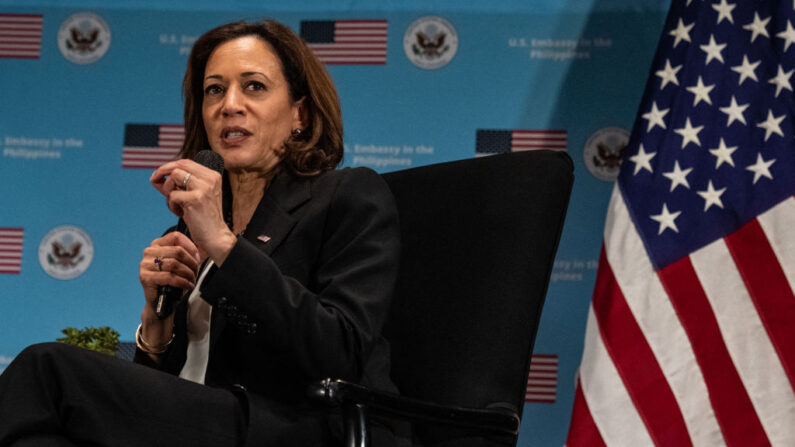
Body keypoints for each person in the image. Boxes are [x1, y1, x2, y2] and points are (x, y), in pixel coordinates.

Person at [0, 19, 402, 446]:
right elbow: (164, 387)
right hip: (201, 423)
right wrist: (156, 327)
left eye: (254, 87)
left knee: (45, 369)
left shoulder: (346, 195)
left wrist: (226, 246)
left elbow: (341, 351)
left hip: (296, 427)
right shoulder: (197, 223)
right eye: (214, 89)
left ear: (299, 114)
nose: (229, 104)